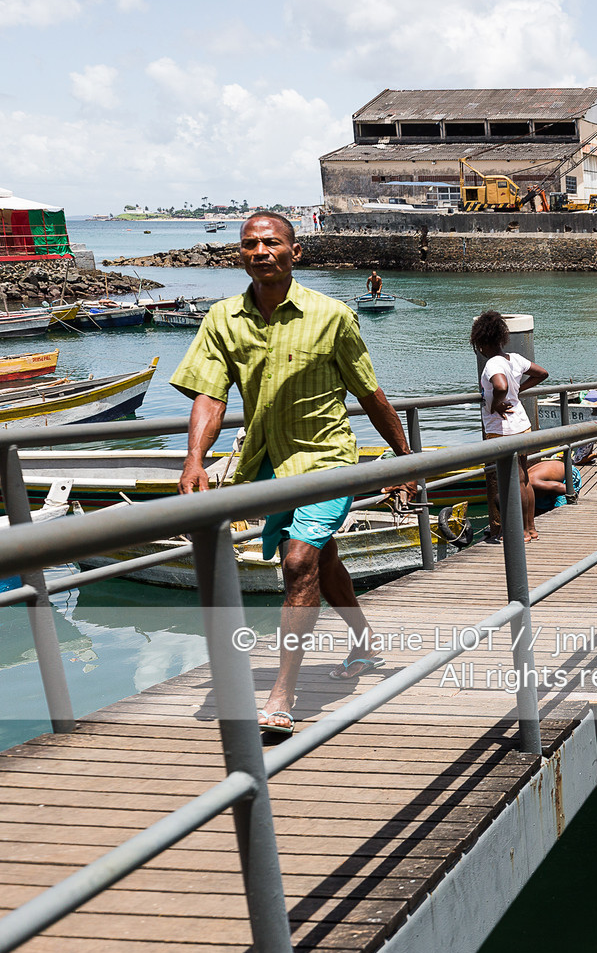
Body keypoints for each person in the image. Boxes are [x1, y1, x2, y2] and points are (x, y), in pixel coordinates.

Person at [171, 211, 417, 735]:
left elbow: (368, 392)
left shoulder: (332, 316)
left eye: (272, 243)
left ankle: (283, 695)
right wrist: (194, 458)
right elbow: (209, 396)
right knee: (322, 560)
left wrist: (404, 458)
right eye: (250, 245)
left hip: (326, 460)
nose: (260, 252)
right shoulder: (222, 320)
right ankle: (365, 644)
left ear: (295, 252)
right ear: (241, 254)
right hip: (267, 463)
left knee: (299, 561)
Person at [473, 311, 550, 545]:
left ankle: (520, 533)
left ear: (482, 342)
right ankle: (531, 528)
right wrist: (518, 391)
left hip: (503, 429)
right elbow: (542, 374)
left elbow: (500, 385)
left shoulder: (492, 364)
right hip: (522, 425)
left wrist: (496, 404)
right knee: (523, 478)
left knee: (511, 482)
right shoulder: (513, 358)